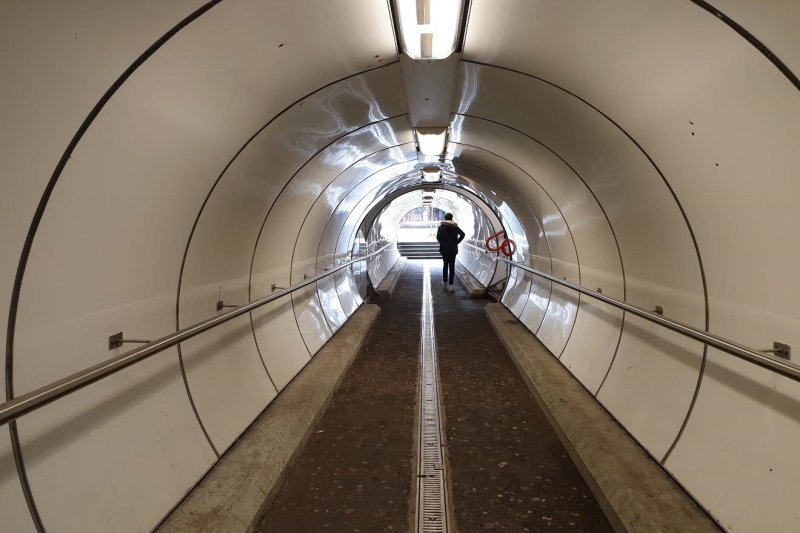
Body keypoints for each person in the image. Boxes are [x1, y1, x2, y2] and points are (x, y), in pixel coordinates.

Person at [436, 212, 465, 292]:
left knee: (445, 265)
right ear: (452, 218)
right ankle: (451, 285)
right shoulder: (455, 227)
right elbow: (462, 234)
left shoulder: (441, 227)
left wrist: (443, 243)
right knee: (452, 266)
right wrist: (456, 242)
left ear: (445, 218)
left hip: (444, 249)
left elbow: (438, 237)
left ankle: (444, 281)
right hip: (453, 250)